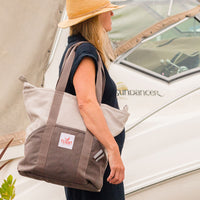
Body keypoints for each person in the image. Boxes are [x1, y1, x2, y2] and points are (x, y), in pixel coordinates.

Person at [58, 0, 126, 199]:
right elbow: (86, 103)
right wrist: (112, 150)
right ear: (95, 17)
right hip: (94, 162)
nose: (111, 15)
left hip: (86, 162)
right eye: (107, 11)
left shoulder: (75, 49)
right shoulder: (85, 52)